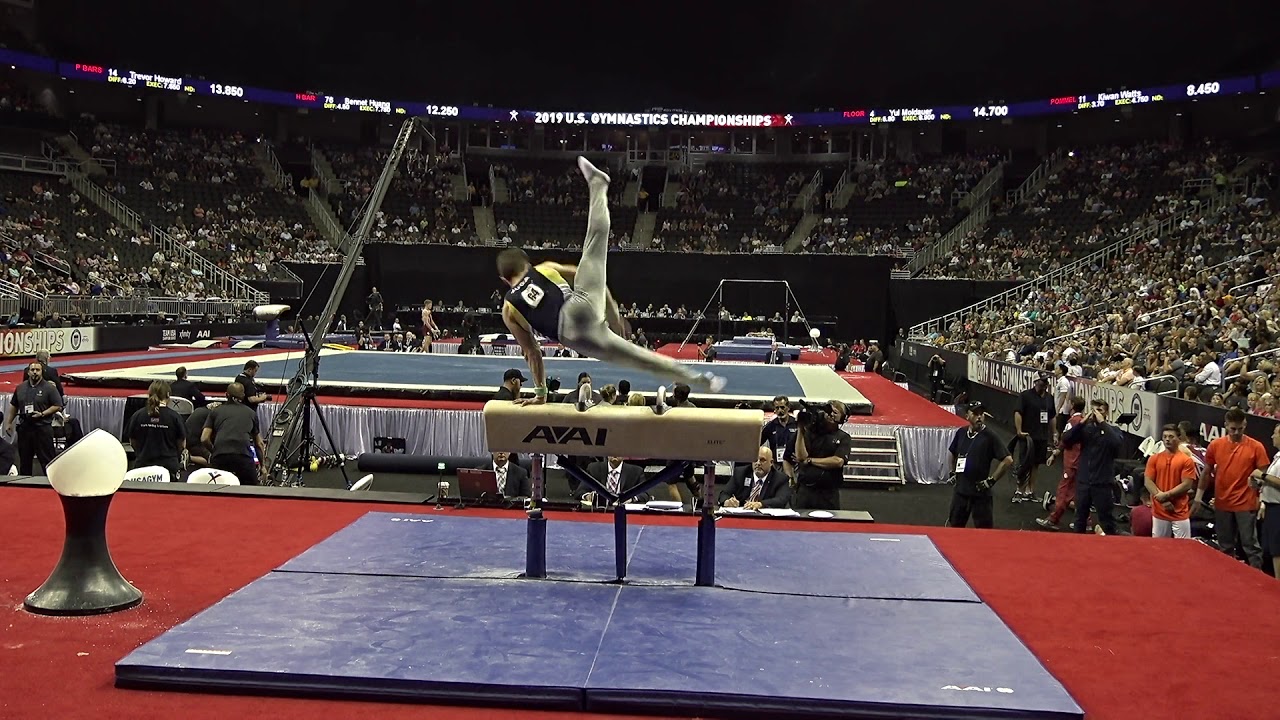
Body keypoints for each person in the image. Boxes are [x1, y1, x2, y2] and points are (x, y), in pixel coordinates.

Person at [497, 157, 725, 408]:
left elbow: (532, 353)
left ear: (503, 279)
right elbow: (597, 283)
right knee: (594, 245)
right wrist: (613, 314)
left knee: (641, 359)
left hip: (572, 335)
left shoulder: (509, 309)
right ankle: (597, 185)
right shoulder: (545, 268)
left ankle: (702, 380)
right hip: (580, 304)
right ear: (527, 263)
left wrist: (541, 393)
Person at [1194, 407, 1268, 567]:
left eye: (1240, 429)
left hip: (1246, 502)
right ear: (1226, 425)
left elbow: (1263, 474)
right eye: (1233, 429)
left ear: (1245, 425)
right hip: (1223, 502)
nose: (1236, 432)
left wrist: (1260, 495)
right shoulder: (1216, 445)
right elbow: (1206, 473)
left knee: (1250, 544)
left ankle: (1257, 577)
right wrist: (1198, 498)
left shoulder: (1256, 447)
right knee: (1225, 545)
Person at [1062, 398, 1124, 535]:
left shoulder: (1113, 430)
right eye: (1094, 410)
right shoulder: (1086, 430)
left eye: (1100, 410)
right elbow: (1066, 439)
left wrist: (1102, 422)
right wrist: (1082, 423)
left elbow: (1116, 443)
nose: (1096, 414)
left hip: (1102, 483)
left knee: (1106, 520)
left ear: (1106, 413)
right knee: (1080, 519)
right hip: (1084, 481)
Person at [946, 401, 1012, 529]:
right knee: (954, 529)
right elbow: (951, 451)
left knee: (984, 532)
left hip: (980, 493)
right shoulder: (961, 432)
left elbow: (1008, 460)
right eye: (975, 414)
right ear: (967, 416)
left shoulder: (990, 436)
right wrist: (952, 472)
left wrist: (991, 481)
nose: (979, 417)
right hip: (961, 491)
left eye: (982, 414)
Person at [790, 400, 852, 510]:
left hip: (828, 492)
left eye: (835, 412)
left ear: (842, 418)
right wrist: (800, 429)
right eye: (829, 411)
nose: (830, 414)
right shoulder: (809, 433)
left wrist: (810, 461)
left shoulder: (843, 437)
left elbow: (838, 461)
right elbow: (800, 457)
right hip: (805, 490)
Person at [202, 383, 267, 486]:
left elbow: (204, 438)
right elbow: (259, 443)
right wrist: (263, 466)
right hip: (243, 455)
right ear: (243, 396)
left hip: (220, 455)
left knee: (216, 487)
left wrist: (214, 451)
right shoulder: (251, 413)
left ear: (226, 395)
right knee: (253, 490)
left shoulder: (216, 411)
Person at [4, 361, 62, 475]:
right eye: (32, 370)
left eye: (37, 370)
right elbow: (14, 405)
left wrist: (42, 414)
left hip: (42, 429)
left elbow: (57, 405)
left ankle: (49, 483)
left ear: (42, 372)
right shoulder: (20, 388)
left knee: (47, 460)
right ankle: (25, 486)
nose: (35, 372)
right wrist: (9, 422)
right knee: (24, 460)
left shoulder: (49, 388)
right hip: (25, 428)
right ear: (28, 372)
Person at [1037, 396, 1086, 530]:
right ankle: (1086, 522)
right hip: (1080, 462)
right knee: (1077, 493)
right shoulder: (1084, 421)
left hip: (1071, 462)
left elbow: (1065, 439)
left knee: (1063, 492)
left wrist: (1055, 453)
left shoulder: (1073, 421)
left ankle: (1053, 519)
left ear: (1072, 405)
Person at [1143, 424, 1197, 539]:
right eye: (1165, 436)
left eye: (1171, 436)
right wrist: (1162, 500)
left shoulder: (1186, 460)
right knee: (1159, 548)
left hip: (1179, 512)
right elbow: (1148, 481)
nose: (1167, 439)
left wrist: (1166, 495)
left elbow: (1187, 484)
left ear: (1179, 438)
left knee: (1183, 548)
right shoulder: (1154, 458)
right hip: (1159, 511)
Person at [126, 381, 187, 482]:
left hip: (143, 466)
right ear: (168, 395)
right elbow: (182, 444)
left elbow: (133, 442)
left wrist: (142, 453)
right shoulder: (175, 417)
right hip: (168, 467)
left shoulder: (137, 416)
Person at [1013, 372, 1055, 503]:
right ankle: (1019, 490)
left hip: (1041, 436)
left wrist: (1054, 433)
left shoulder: (1049, 398)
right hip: (1028, 435)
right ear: (1036, 382)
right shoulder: (1025, 396)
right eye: (1043, 382)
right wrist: (1019, 430)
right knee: (1024, 463)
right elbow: (1018, 412)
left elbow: (1052, 416)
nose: (1045, 384)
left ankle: (1030, 491)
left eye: (1046, 382)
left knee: (1036, 464)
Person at [719, 446, 792, 510]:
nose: (758, 463)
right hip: (741, 515)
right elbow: (724, 494)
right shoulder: (741, 473)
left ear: (771, 462)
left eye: (762, 460)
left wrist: (760, 504)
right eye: (755, 459)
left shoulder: (780, 478)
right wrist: (727, 501)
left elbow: (781, 500)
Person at [1251, 422, 1280, 578]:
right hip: (1270, 506)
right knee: (1268, 548)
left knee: (1277, 549)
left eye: (1275, 433)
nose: (1272, 436)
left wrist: (1261, 475)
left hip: (1278, 508)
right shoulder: (1277, 457)